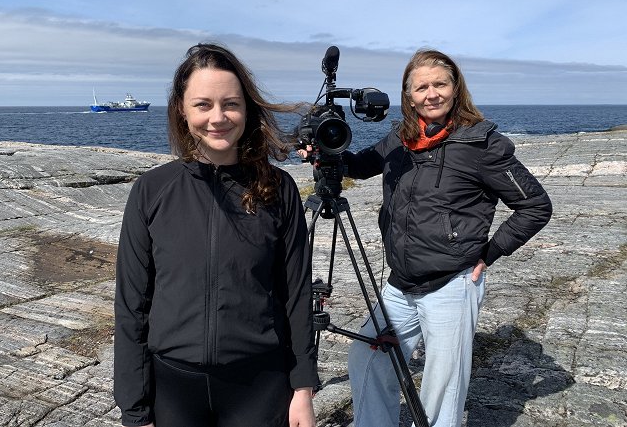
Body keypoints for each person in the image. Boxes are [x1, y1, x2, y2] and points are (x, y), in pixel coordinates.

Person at [303, 48, 552, 427]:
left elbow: (535, 205)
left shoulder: (480, 144)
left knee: (441, 386)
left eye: (440, 84)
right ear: (408, 94)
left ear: (456, 89)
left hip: (451, 284)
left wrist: (491, 252)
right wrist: (328, 153)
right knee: (367, 356)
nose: (431, 94)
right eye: (421, 87)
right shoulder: (401, 138)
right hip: (400, 285)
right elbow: (362, 165)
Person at [114, 43, 318, 427]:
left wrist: (303, 389)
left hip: (260, 385)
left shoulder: (279, 189)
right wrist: (135, 410)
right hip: (173, 386)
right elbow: (131, 306)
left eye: (231, 104)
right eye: (203, 104)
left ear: (247, 108)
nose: (218, 117)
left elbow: (296, 294)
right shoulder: (151, 190)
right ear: (182, 109)